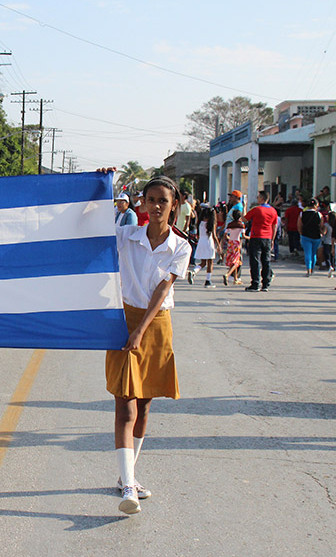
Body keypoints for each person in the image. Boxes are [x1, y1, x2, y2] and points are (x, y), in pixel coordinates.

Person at [106, 175, 191, 515]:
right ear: (140, 202)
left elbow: (161, 291)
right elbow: (87, 222)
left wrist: (141, 331)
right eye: (151, 199)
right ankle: (127, 485)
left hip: (155, 326)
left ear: (174, 206)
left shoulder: (181, 247)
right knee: (125, 403)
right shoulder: (125, 236)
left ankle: (129, 473)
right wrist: (101, 185)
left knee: (145, 403)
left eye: (163, 201)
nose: (156, 206)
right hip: (124, 321)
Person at [242, 190, 279, 291]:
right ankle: (266, 284)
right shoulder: (273, 211)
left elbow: (244, 219)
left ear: (262, 198)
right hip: (267, 237)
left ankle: (255, 283)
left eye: (258, 197)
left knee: (255, 261)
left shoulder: (257, 209)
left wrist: (244, 206)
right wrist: (272, 239)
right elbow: (275, 226)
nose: (257, 199)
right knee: (266, 260)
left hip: (256, 236)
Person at [186, 206, 220, 288]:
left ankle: (194, 271)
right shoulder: (211, 223)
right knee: (210, 262)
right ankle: (208, 281)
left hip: (201, 241)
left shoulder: (200, 222)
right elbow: (214, 235)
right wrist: (218, 245)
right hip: (209, 242)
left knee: (203, 262)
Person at [299, 198, 324, 277]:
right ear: (316, 205)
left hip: (305, 236)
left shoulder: (302, 214)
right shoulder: (319, 214)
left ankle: (308, 269)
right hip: (316, 236)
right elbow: (321, 226)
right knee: (313, 253)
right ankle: (312, 269)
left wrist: (301, 233)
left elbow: (299, 225)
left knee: (307, 253)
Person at [222, 209, 246, 285]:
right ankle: (227, 274)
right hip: (237, 243)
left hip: (230, 243)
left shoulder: (230, 225)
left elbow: (225, 235)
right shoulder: (241, 225)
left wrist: (229, 239)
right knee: (236, 262)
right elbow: (244, 236)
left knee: (233, 260)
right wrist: (251, 238)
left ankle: (235, 279)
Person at [321, 211, 334, 277]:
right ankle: (332, 266)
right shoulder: (334, 225)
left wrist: (320, 229)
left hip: (327, 242)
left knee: (327, 256)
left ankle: (329, 266)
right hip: (333, 243)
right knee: (332, 257)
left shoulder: (326, 225)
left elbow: (324, 233)